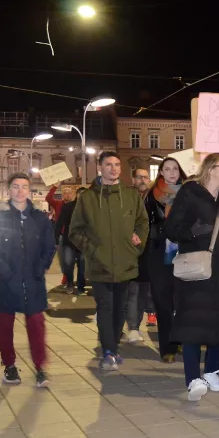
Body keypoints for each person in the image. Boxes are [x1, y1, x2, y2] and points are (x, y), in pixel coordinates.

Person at [165, 153, 219, 401]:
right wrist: (192, 232)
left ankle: (211, 371)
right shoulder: (190, 192)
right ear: (211, 168)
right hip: (195, 267)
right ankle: (192, 378)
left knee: (217, 320)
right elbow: (171, 229)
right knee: (192, 321)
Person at [69, 151, 149, 371]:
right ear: (100, 168)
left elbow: (143, 223)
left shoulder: (131, 196)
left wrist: (137, 244)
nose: (113, 168)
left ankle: (113, 348)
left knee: (120, 308)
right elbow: (75, 231)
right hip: (100, 265)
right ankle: (108, 351)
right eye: (108, 164)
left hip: (125, 262)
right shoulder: (87, 197)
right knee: (105, 307)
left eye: (116, 164)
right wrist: (92, 250)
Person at [0, 173, 56, 387]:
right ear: (9, 190)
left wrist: (40, 268)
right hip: (5, 282)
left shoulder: (40, 219)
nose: (20, 191)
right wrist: (3, 271)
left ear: (30, 191)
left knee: (36, 325)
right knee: (4, 326)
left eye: (24, 187)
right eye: (15, 186)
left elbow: (49, 247)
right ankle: (10, 366)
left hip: (32, 281)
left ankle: (41, 368)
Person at [145, 158, 186, 363]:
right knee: (163, 301)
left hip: (185, 252)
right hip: (159, 252)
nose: (171, 172)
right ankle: (167, 347)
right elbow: (143, 223)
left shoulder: (189, 193)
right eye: (167, 169)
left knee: (183, 300)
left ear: (180, 171)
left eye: (175, 169)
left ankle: (179, 339)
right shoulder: (151, 196)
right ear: (160, 172)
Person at [126, 167, 155, 344]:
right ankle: (133, 327)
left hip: (149, 251)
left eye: (145, 177)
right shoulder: (128, 198)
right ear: (133, 180)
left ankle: (135, 324)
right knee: (133, 291)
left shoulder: (154, 198)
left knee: (142, 290)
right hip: (130, 250)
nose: (143, 180)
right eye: (139, 177)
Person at [53, 187, 85, 295]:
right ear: (77, 195)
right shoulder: (68, 207)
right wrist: (56, 238)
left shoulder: (89, 209)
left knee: (82, 265)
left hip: (83, 242)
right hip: (69, 241)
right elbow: (60, 223)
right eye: (80, 194)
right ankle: (70, 283)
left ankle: (81, 286)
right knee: (68, 263)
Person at [46, 183, 71, 287]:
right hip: (61, 234)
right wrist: (55, 187)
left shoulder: (75, 204)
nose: (67, 195)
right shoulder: (58, 204)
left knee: (70, 259)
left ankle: (70, 278)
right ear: (62, 195)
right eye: (65, 193)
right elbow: (48, 198)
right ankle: (65, 275)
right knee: (62, 258)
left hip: (71, 235)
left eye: (69, 193)